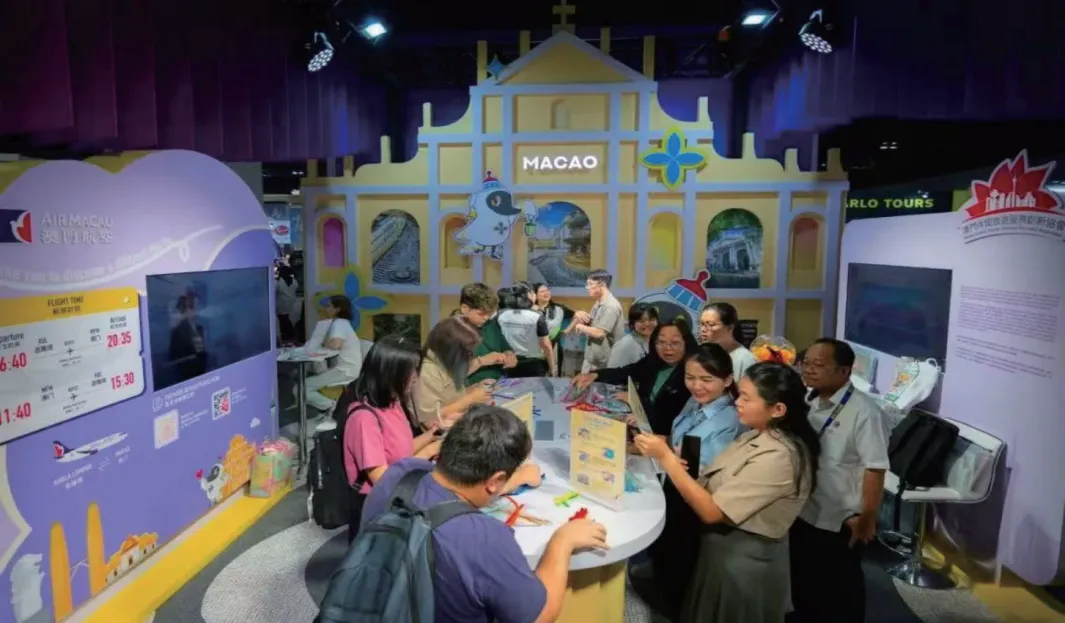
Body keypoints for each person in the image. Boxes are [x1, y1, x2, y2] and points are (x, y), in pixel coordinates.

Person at [359, 405, 609, 623]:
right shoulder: (485, 538)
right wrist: (561, 542)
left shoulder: (402, 472)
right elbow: (539, 617)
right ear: (495, 480)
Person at [634, 362, 820, 622]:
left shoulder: (780, 456)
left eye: (746, 398)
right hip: (720, 552)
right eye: (739, 395)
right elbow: (712, 481)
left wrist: (666, 459)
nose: (737, 403)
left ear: (778, 409)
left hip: (743, 562)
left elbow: (713, 512)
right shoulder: (755, 435)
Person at [635, 343, 746, 615]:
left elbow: (706, 471)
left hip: (696, 498)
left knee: (682, 560)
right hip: (674, 485)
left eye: (706, 379)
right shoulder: (694, 402)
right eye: (690, 377)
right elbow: (679, 441)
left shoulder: (730, 419)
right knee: (666, 551)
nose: (697, 386)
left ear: (727, 380)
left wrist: (668, 456)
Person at [789, 338, 889, 623]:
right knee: (805, 584)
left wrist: (868, 517)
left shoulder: (865, 413)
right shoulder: (809, 400)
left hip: (841, 519)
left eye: (818, 365)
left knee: (840, 591)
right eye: (806, 363)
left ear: (844, 371)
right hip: (806, 509)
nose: (808, 369)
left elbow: (875, 469)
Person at [336, 337, 443, 543]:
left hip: (400, 497)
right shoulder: (364, 418)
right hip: (376, 509)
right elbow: (382, 479)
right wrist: (430, 451)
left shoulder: (393, 403)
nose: (415, 378)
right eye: (410, 372)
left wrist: (431, 436)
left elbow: (401, 451)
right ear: (391, 373)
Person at [573, 317, 699, 435]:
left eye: (675, 343)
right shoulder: (653, 361)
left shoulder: (693, 374)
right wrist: (595, 374)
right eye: (661, 342)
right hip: (637, 423)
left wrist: (637, 404)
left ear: (686, 343)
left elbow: (671, 414)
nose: (667, 348)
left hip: (662, 436)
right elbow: (627, 372)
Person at [413, 316, 493, 429]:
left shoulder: (446, 363)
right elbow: (429, 420)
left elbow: (450, 398)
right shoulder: (427, 371)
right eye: (468, 352)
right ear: (451, 350)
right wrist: (470, 399)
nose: (471, 355)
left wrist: (473, 390)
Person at [304, 295, 363, 413]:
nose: (326, 308)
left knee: (301, 388)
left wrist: (322, 342)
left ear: (337, 309)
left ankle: (332, 407)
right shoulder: (343, 323)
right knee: (309, 380)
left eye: (329, 306)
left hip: (345, 370)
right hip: (347, 368)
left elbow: (335, 344)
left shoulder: (339, 323)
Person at [455, 283, 518, 384]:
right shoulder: (450, 331)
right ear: (464, 308)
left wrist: (510, 356)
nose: (486, 318)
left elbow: (505, 347)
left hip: (498, 384)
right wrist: (482, 361)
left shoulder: (491, 324)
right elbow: (450, 375)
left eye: (489, 314)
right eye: (481, 314)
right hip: (469, 389)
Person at [568, 269, 626, 373]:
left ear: (602, 284)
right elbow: (593, 325)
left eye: (590, 284)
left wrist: (581, 327)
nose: (587, 287)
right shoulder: (598, 303)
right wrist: (579, 315)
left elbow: (600, 333)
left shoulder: (611, 306)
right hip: (592, 360)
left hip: (604, 365)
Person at [496, 284, 556, 377]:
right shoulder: (537, 316)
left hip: (509, 362)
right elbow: (546, 345)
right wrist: (552, 367)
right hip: (533, 364)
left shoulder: (501, 314)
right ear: (529, 295)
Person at [698, 301, 758, 379]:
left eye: (711, 325)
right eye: (702, 324)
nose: (703, 329)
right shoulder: (700, 353)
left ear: (730, 328)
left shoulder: (746, 359)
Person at [169, 292, 207, 381]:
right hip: (187, 379)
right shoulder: (177, 332)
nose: (198, 310)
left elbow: (203, 351)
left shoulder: (200, 328)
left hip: (203, 375)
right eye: (195, 306)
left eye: (200, 306)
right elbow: (176, 360)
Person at [606, 303, 659, 368]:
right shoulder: (623, 345)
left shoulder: (657, 341)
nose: (647, 324)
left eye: (651, 319)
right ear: (632, 323)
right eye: (642, 321)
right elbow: (612, 372)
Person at [275, 265, 299, 343]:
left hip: (281, 302)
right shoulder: (293, 281)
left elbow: (275, 289)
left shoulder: (279, 281)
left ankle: (289, 335)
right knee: (285, 317)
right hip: (290, 301)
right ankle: (287, 335)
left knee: (283, 319)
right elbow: (296, 288)